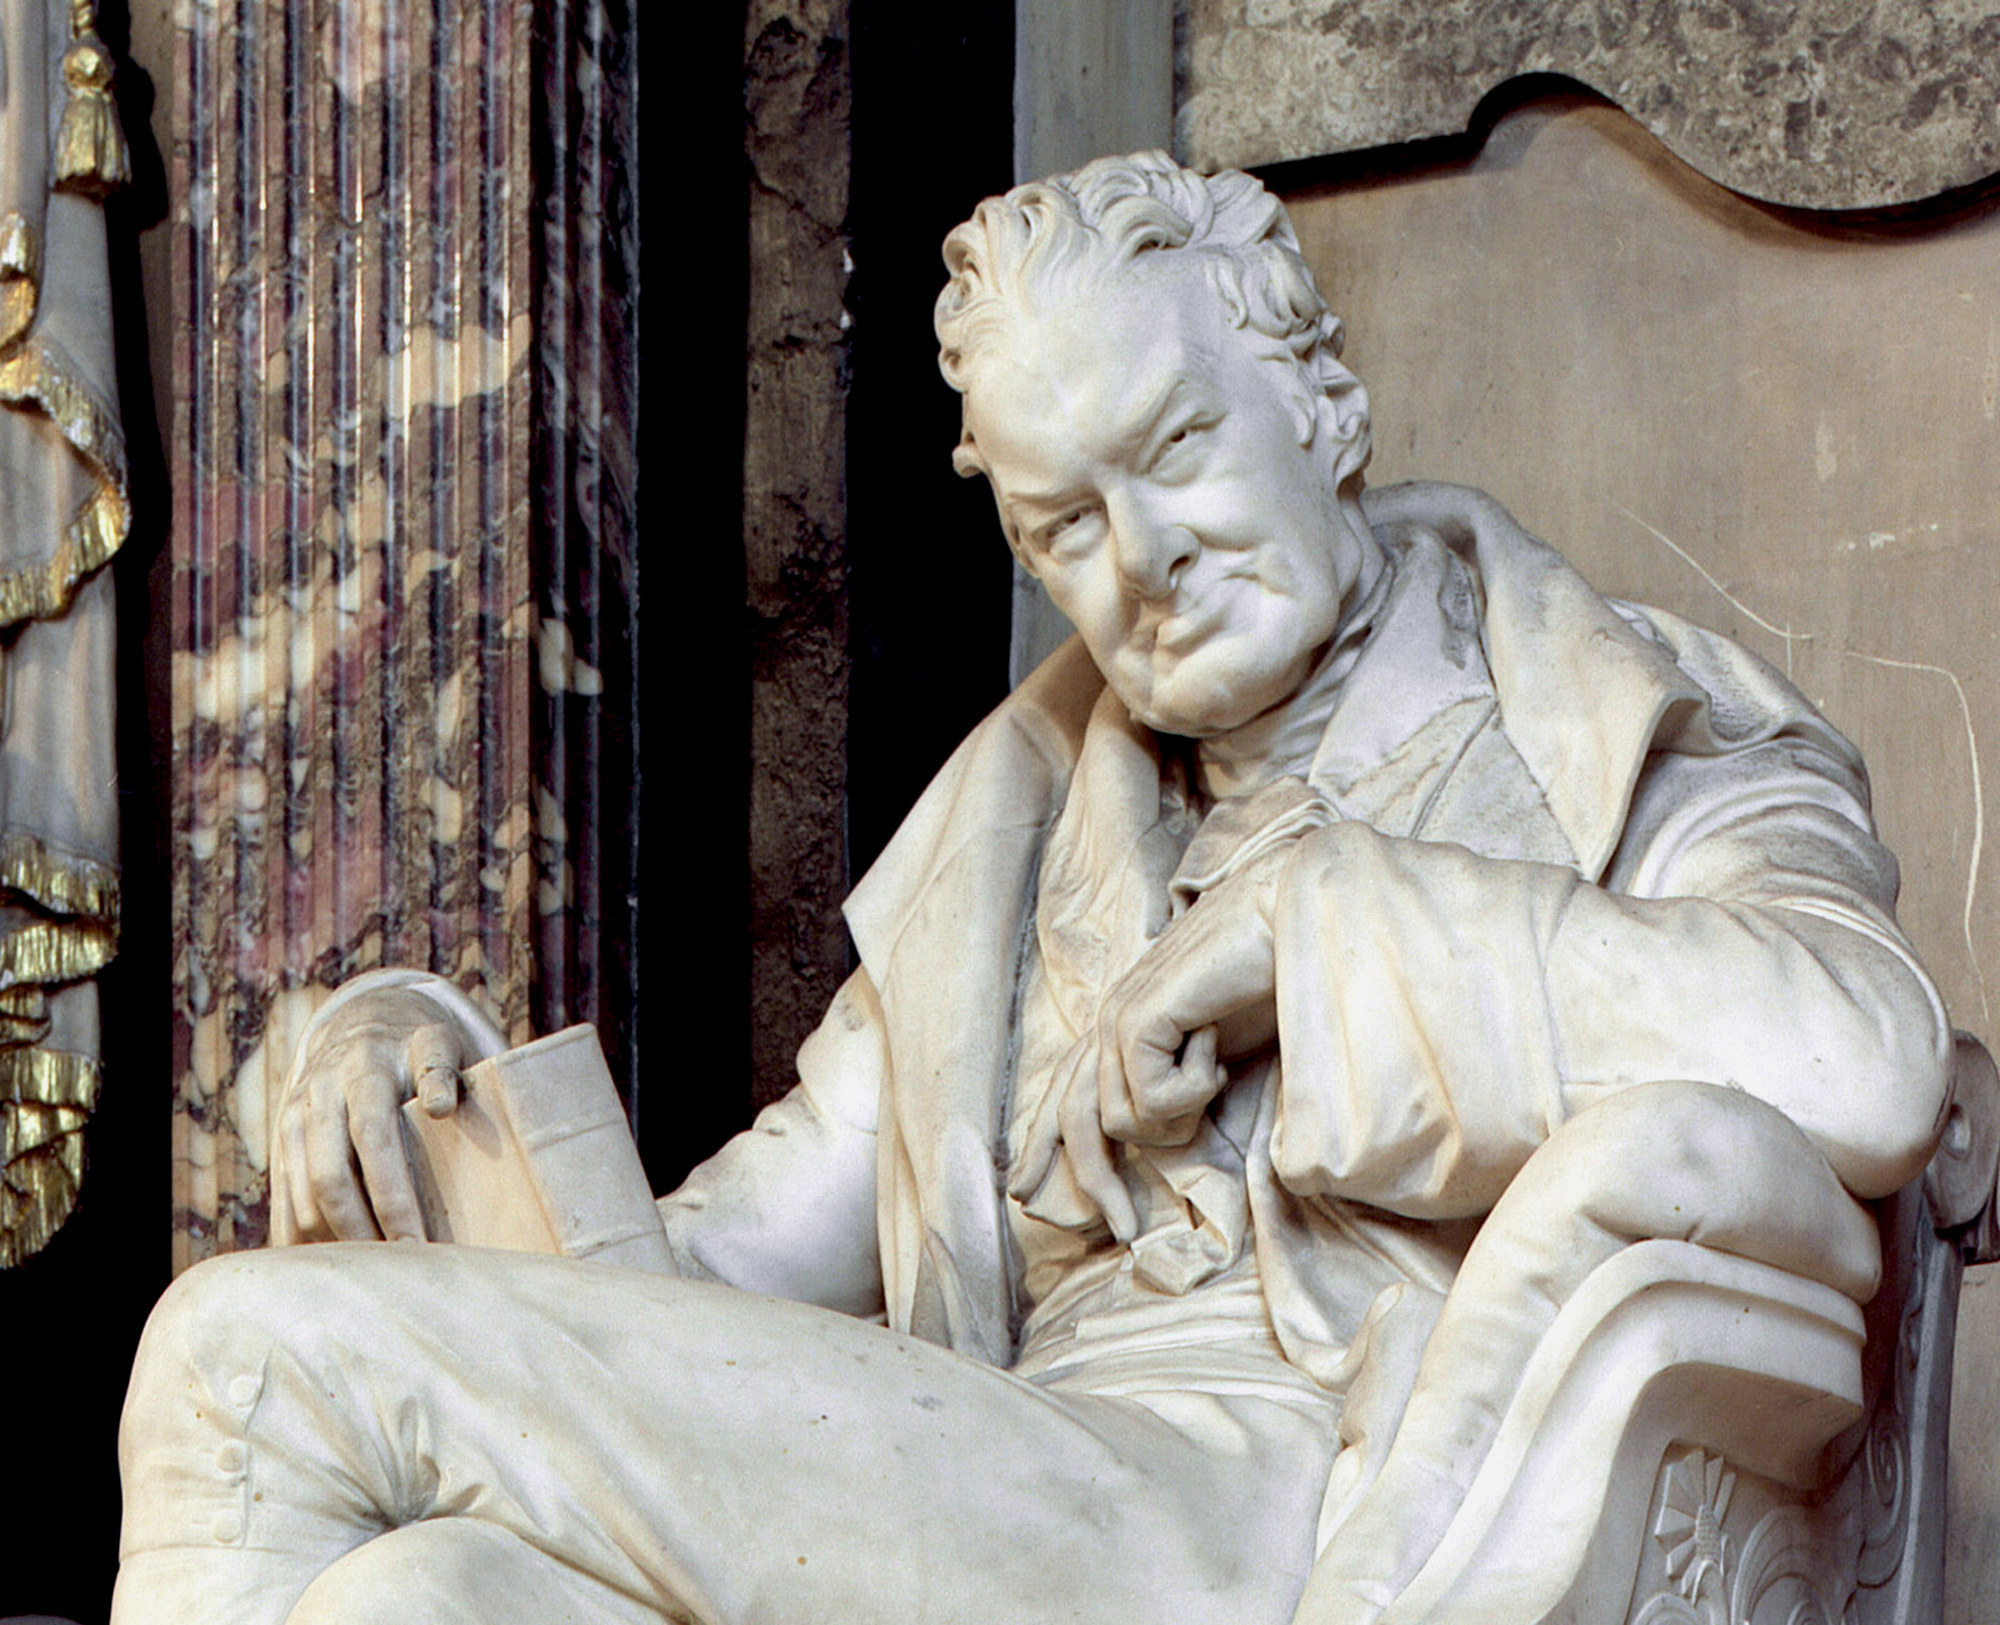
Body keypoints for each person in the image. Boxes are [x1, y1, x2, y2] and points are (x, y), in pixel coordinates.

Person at [111, 153, 1951, 1625]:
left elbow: (1864, 1049)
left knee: (240, 1360)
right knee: (416, 1595)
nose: (1142, 559)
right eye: (1068, 524)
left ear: (1319, 400)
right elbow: (687, 1282)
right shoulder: (1005, 864)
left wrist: (1318, 938)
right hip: (1006, 1471)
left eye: (1175, 451)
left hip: (1296, 1500)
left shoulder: (1612, 725)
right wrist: (410, 1065)